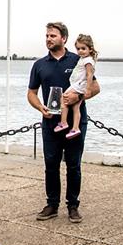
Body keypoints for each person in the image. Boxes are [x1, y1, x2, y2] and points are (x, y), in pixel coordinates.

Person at [27, 22, 100, 223]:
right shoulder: (39, 65)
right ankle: (51, 204)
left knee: (74, 165)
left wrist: (78, 98)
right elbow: (31, 93)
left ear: (64, 38)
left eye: (53, 35)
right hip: (50, 123)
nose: (49, 39)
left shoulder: (80, 59)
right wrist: (40, 107)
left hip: (75, 123)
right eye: (47, 36)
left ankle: (73, 206)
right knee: (51, 165)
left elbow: (95, 87)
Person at [54, 34, 97, 140]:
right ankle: (75, 128)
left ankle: (63, 122)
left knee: (63, 99)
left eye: (83, 48)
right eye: (78, 49)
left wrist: (87, 89)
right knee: (75, 107)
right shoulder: (84, 59)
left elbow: (89, 74)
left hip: (78, 85)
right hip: (80, 85)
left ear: (90, 49)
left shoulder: (87, 61)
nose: (80, 51)